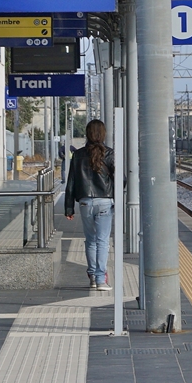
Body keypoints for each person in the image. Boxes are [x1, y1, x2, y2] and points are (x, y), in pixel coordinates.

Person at [65, 119, 115, 290]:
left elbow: (71, 182)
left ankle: (93, 276)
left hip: (85, 202)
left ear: (87, 134)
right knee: (102, 241)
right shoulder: (109, 153)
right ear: (103, 134)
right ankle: (101, 280)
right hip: (105, 202)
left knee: (91, 240)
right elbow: (120, 179)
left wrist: (68, 207)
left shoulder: (77, 155)